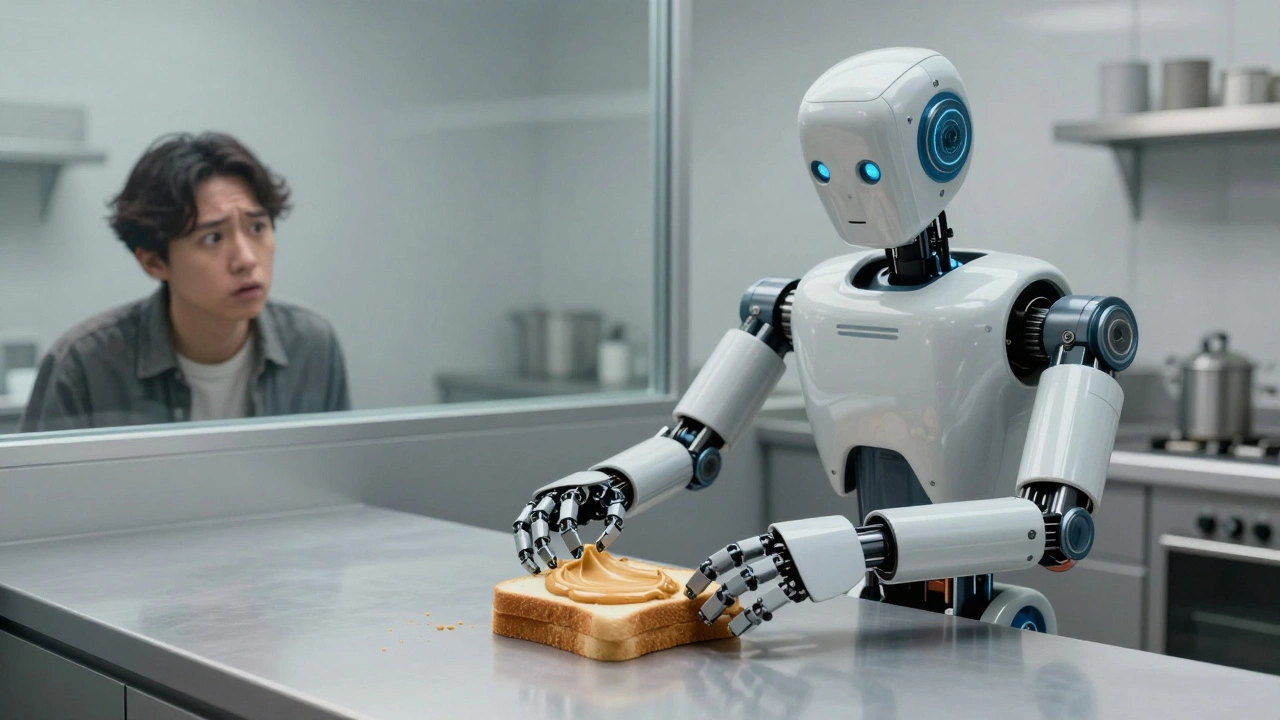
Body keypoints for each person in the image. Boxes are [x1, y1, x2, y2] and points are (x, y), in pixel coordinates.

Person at [20, 132, 350, 432]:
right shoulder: (85, 366)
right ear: (154, 262)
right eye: (213, 238)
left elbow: (338, 472)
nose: (247, 259)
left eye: (257, 228)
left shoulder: (312, 346)